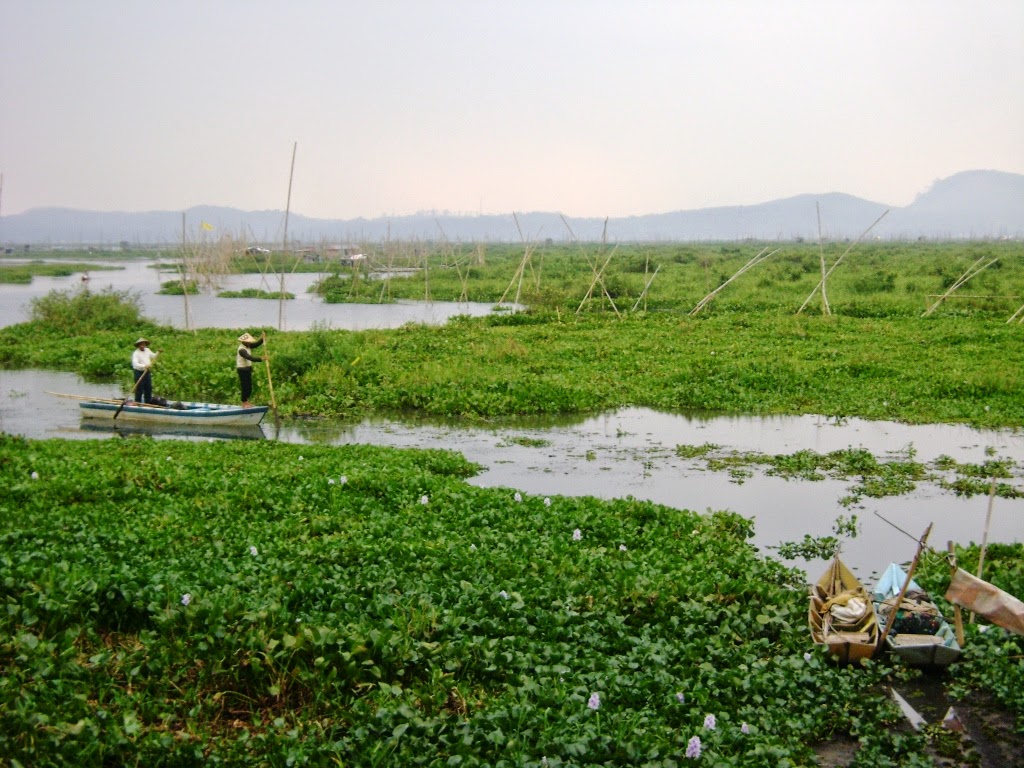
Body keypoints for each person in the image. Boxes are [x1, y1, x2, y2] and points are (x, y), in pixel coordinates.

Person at [236, 331, 266, 408]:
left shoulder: (248, 345)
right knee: (245, 386)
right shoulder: (241, 350)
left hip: (248, 369)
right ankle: (244, 402)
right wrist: (261, 358)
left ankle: (246, 401)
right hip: (242, 369)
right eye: (248, 342)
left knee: (249, 386)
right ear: (244, 342)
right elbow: (249, 357)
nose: (249, 343)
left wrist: (262, 339)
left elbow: (256, 344)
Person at [131, 337, 159, 404]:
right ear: (138, 345)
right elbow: (135, 364)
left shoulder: (147, 350)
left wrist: (158, 352)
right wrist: (144, 366)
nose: (143, 346)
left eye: (144, 344)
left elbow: (153, 356)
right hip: (139, 372)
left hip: (147, 372)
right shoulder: (136, 353)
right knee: (139, 389)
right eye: (141, 344)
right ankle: (138, 402)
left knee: (148, 387)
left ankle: (148, 402)